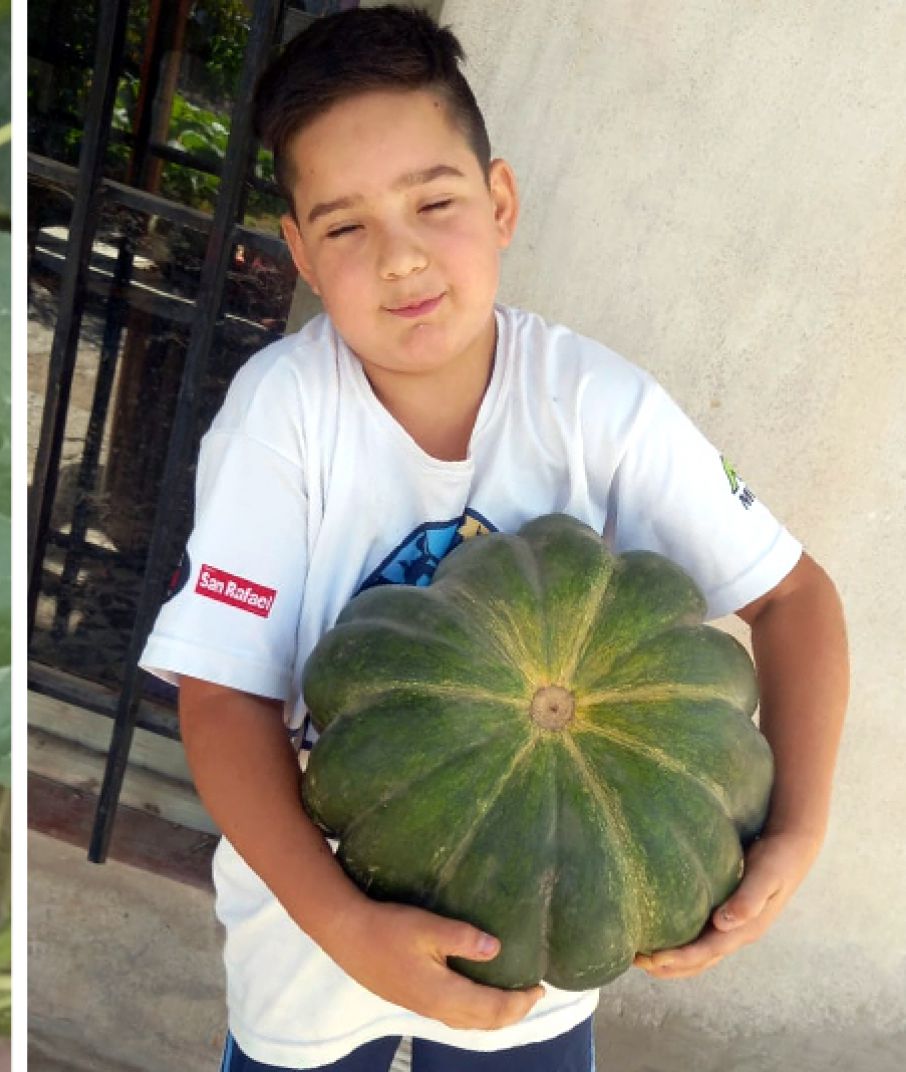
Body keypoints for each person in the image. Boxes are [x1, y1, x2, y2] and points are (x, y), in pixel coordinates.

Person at [136, 7, 849, 1071]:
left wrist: (795, 828)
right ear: (298, 252)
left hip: (539, 976)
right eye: (344, 227)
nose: (400, 258)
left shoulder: (595, 405)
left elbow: (796, 600)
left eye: (434, 202)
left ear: (499, 200)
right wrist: (346, 927)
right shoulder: (281, 415)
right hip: (311, 962)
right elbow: (220, 696)